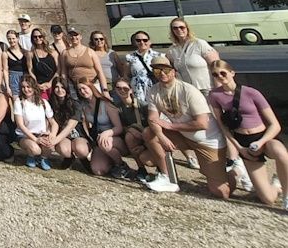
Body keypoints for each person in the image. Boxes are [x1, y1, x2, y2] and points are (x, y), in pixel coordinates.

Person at [144, 56, 229, 196]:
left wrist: (171, 127)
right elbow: (153, 118)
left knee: (221, 192)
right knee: (149, 133)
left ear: (174, 71)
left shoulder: (188, 91)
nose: (162, 74)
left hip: (208, 141)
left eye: (165, 70)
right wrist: (161, 136)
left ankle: (234, 173)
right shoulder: (154, 90)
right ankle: (168, 177)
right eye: (157, 71)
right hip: (184, 135)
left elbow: (202, 123)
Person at [208, 60, 288, 209]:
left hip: (264, 137)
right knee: (268, 199)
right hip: (244, 141)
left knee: (282, 154)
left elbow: (275, 125)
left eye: (223, 73)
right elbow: (222, 125)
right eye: (215, 74)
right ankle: (276, 186)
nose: (220, 77)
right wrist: (239, 147)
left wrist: (261, 142)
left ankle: (287, 195)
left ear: (232, 73)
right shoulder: (214, 96)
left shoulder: (251, 93)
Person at [77, 78, 129, 177]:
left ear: (91, 87)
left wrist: (107, 133)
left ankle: (122, 165)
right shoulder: (85, 106)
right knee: (98, 170)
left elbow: (119, 127)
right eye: (80, 90)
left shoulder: (105, 104)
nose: (83, 92)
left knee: (106, 143)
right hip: (99, 140)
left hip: (115, 138)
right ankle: (111, 162)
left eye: (84, 88)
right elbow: (86, 125)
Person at [113, 77, 157, 181]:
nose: (122, 91)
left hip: (149, 139)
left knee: (147, 159)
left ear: (131, 90)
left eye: (125, 88)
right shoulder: (117, 107)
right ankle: (141, 169)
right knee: (129, 136)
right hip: (133, 139)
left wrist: (144, 144)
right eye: (118, 88)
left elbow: (153, 126)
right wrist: (130, 129)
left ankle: (161, 169)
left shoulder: (142, 106)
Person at [14, 74, 57, 171]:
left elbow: (53, 122)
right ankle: (31, 155)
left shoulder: (43, 102)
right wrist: (35, 139)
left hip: (41, 133)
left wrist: (52, 135)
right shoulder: (19, 102)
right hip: (25, 135)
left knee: (50, 143)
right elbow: (20, 125)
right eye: (23, 87)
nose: (26, 90)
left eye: (28, 87)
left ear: (33, 87)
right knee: (35, 149)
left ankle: (43, 158)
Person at [167, 18, 219, 94]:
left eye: (182, 27)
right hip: (187, 91)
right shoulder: (172, 50)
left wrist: (219, 87)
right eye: (175, 28)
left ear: (187, 28)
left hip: (206, 89)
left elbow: (216, 66)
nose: (179, 30)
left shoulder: (200, 43)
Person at [48, 78, 90, 167]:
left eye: (63, 87)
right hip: (62, 135)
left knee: (80, 149)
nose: (60, 90)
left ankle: (83, 159)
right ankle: (69, 158)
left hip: (77, 134)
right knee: (64, 150)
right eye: (56, 87)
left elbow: (70, 127)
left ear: (67, 89)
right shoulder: (50, 103)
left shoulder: (75, 104)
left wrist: (54, 141)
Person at [59, 27, 108, 93]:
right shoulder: (64, 53)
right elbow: (63, 72)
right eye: (71, 35)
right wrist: (65, 87)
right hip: (74, 85)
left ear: (80, 37)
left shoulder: (90, 51)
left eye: (76, 35)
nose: (73, 37)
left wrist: (105, 90)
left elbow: (100, 72)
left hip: (92, 84)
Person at [122, 30, 161, 104]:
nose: (142, 42)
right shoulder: (129, 57)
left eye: (145, 40)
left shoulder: (158, 56)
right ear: (135, 42)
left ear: (149, 42)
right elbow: (126, 76)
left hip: (155, 88)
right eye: (138, 40)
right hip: (137, 90)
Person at [25, 28, 58, 99]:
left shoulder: (53, 52)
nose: (37, 38)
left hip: (54, 84)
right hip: (40, 85)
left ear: (44, 37)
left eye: (40, 36)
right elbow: (31, 70)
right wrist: (36, 84)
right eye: (35, 37)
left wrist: (50, 83)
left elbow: (58, 69)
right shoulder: (30, 54)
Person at [3, 30, 26, 98]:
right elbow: (5, 70)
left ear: (17, 38)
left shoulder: (25, 52)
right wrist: (7, 86)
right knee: (16, 102)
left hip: (24, 78)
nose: (11, 41)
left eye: (13, 38)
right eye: (9, 39)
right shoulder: (5, 53)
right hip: (13, 79)